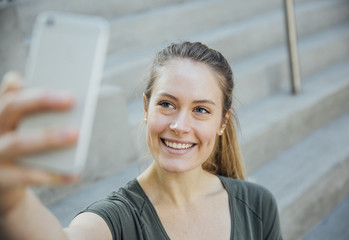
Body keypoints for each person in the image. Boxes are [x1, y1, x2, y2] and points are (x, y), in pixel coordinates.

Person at [0, 42, 283, 239]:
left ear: (222, 121)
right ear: (146, 109)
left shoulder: (257, 205)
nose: (179, 126)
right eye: (167, 104)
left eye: (201, 110)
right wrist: (11, 203)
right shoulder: (116, 219)